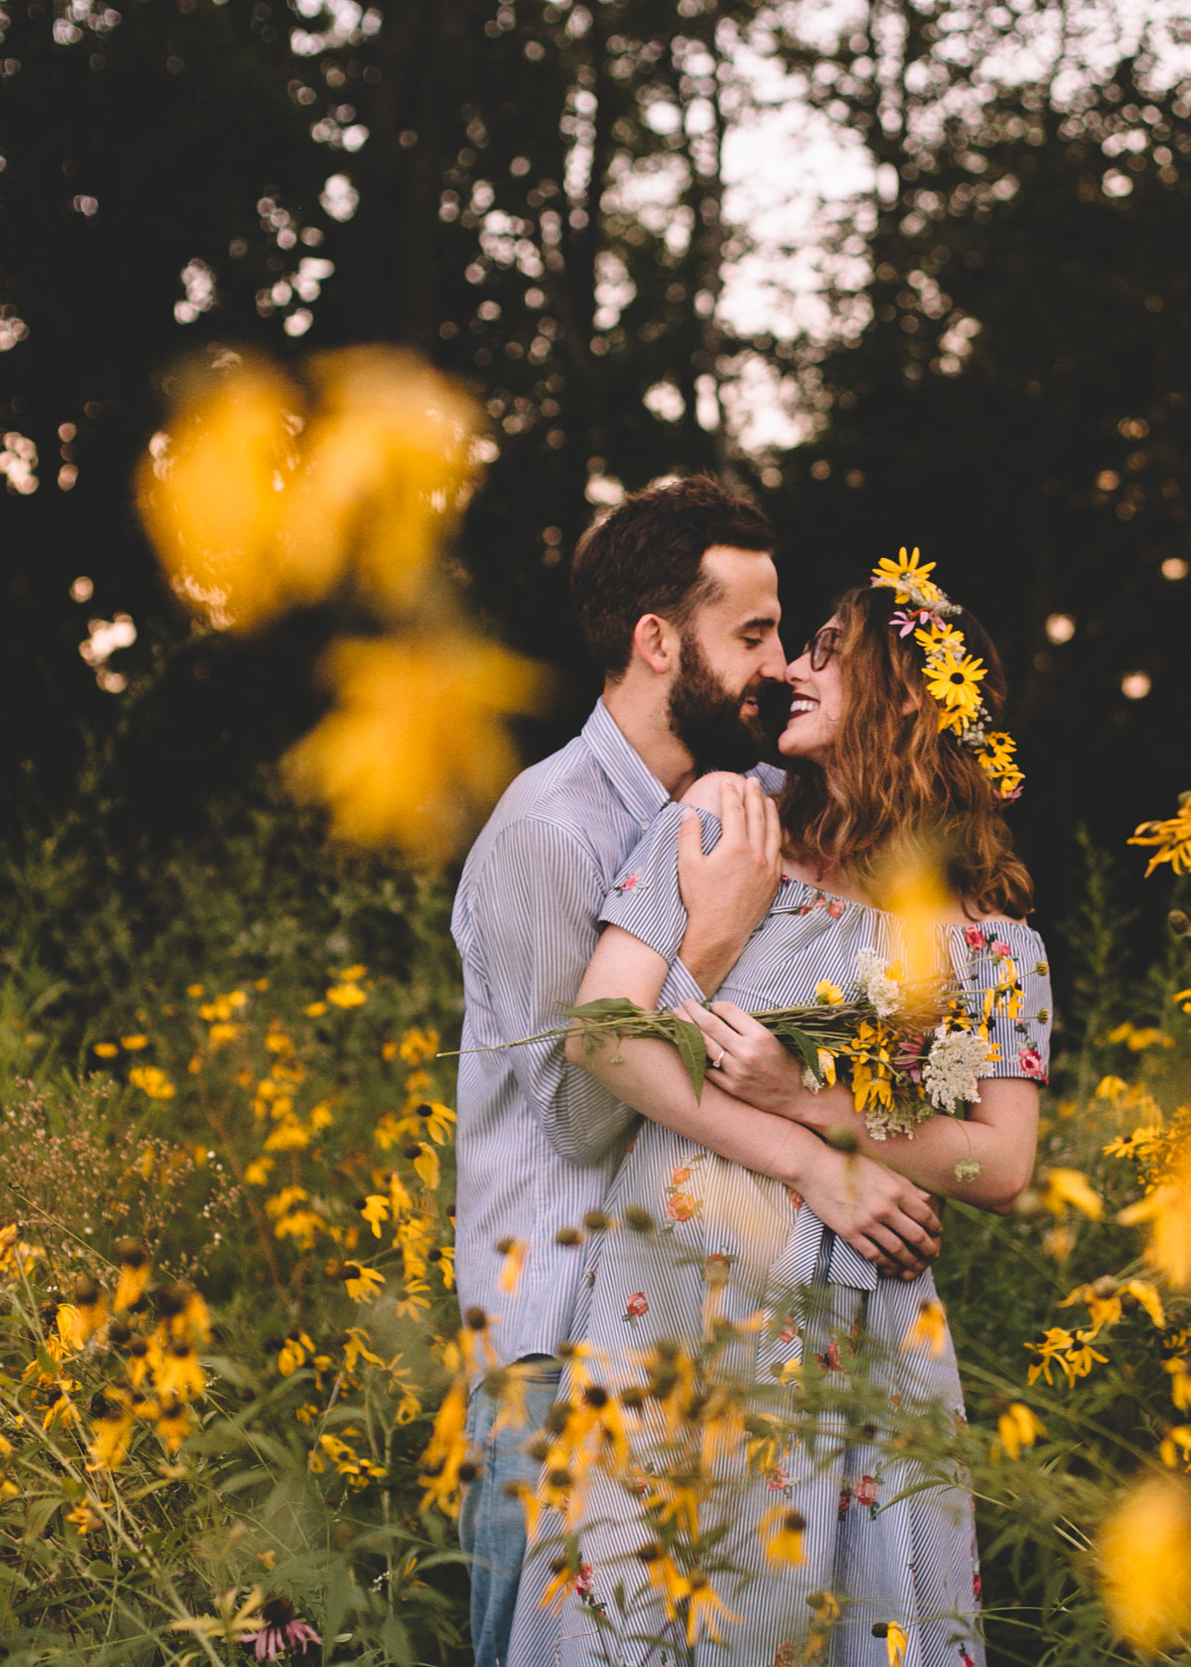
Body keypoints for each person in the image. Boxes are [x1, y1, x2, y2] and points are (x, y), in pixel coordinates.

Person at [507, 555, 1051, 1667]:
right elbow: (605, 1035)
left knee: (830, 1614)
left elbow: (997, 1164)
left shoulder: (990, 943)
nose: (793, 669)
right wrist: (808, 1161)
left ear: (904, 694)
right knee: (637, 1604)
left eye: (828, 651)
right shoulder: (725, 825)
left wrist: (813, 1100)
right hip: (674, 1294)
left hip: (859, 1322)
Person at [452, 480, 948, 1667]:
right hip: (558, 1357)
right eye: (753, 634)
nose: (778, 663)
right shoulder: (547, 830)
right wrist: (704, 944)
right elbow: (576, 1114)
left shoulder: (756, 804)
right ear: (656, 641)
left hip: (713, 1345)